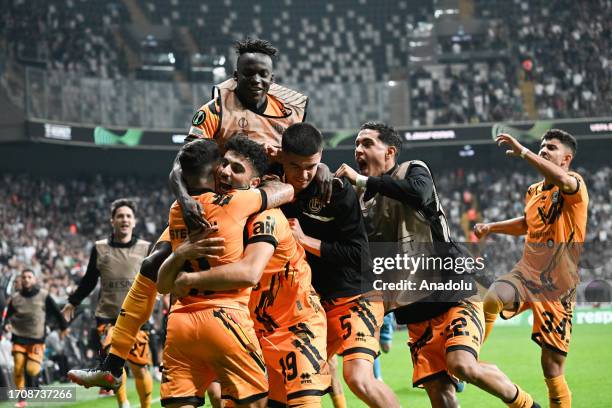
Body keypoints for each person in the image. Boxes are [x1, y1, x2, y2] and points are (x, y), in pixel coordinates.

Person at [67, 38, 332, 390]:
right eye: (249, 73)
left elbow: (307, 151)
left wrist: (323, 168)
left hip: (265, 206)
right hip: (218, 206)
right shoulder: (214, 109)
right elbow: (182, 163)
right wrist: (185, 199)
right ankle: (112, 362)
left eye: (263, 74)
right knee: (153, 264)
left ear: (272, 76)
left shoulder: (291, 109)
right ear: (235, 75)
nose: (256, 80)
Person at [335, 122, 540, 408]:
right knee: (440, 393)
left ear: (390, 151)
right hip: (413, 309)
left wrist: (362, 180)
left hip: (451, 292)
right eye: (356, 144)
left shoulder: (413, 170)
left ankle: (529, 405)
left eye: (367, 143)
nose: (358, 149)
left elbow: (418, 193)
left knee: (463, 365)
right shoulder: (358, 199)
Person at [169, 137, 331, 407]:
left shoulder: (265, 216)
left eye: (236, 168)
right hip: (257, 329)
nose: (225, 172)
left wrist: (188, 280)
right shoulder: (213, 213)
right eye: (224, 164)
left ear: (255, 183)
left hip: (296, 325)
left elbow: (249, 272)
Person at [279, 123, 400, 408]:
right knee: (293, 383)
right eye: (296, 166)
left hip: (356, 297)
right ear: (282, 158)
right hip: (315, 306)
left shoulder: (335, 190)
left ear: (321, 157)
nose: (304, 174)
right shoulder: (273, 188)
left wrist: (304, 240)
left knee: (358, 377)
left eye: (312, 166)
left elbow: (360, 254)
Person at [476, 130, 588, 408]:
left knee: (551, 368)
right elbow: (527, 223)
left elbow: (563, 180)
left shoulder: (575, 183)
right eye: (542, 146)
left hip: (557, 287)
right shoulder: (534, 191)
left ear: (566, 158)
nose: (544, 150)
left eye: (551, 147)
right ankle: (471, 357)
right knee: (493, 296)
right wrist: (493, 227)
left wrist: (523, 151)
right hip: (527, 273)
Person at [62, 199, 153, 408]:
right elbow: (89, 280)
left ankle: (146, 406)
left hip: (137, 318)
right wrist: (72, 302)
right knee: (112, 367)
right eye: (120, 216)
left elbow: (156, 278)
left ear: (135, 221)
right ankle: (123, 404)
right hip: (107, 316)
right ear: (112, 220)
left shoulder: (146, 248)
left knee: (140, 368)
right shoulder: (100, 248)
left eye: (128, 216)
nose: (124, 219)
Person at [1, 269, 68, 408]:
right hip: (19, 337)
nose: (26, 279)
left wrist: (63, 327)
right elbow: (7, 317)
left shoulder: (44, 296)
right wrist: (6, 324)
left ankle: (32, 385)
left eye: (29, 277)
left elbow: (56, 312)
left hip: (37, 339)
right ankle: (21, 399)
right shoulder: (15, 298)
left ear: (35, 280)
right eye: (23, 277)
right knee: (18, 367)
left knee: (31, 369)